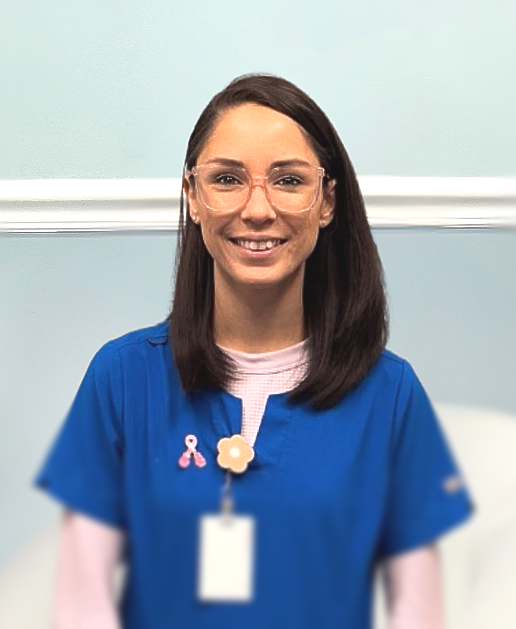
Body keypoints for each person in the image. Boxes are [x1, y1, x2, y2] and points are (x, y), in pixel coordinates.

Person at [36, 74, 473, 629]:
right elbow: (82, 605)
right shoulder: (121, 379)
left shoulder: (391, 395)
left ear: (326, 201)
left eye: (289, 180)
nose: (258, 209)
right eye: (227, 179)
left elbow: (419, 612)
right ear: (193, 196)